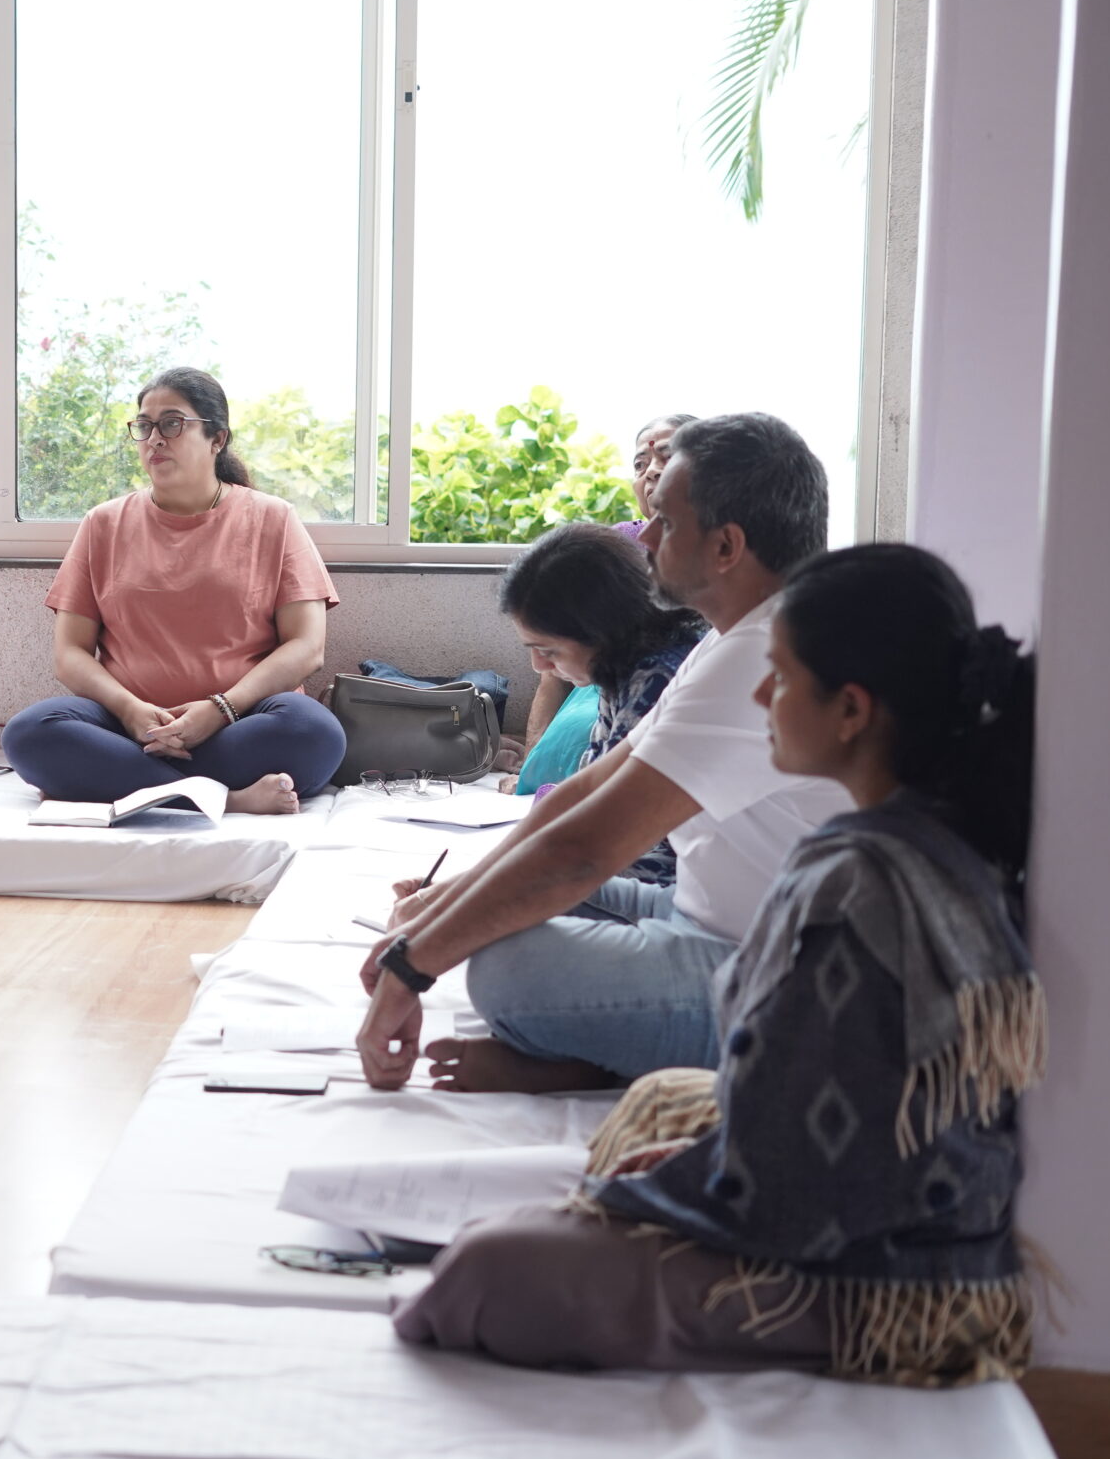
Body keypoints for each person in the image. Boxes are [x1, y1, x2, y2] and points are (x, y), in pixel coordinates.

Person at [395, 545, 1040, 1385]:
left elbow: (798, 1185)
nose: (762, 698)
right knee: (656, 1106)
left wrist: (649, 1197)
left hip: (874, 1281)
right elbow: (818, 1107)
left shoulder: (854, 882)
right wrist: (690, 1158)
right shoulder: (920, 838)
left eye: (781, 679)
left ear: (850, 710)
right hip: (908, 1230)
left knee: (490, 1266)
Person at [354, 412, 851, 1093]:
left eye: (665, 522)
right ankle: (604, 1047)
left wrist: (411, 967)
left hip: (767, 972)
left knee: (508, 967)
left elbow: (582, 850)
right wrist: (443, 907)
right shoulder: (731, 636)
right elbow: (578, 800)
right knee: (497, 905)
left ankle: (599, 1062)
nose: (644, 536)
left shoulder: (764, 654)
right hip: (691, 910)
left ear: (726, 546)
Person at [3, 368, 347, 813]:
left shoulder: (273, 519)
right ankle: (229, 799)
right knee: (29, 733)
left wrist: (220, 709)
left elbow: (306, 648)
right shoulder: (103, 524)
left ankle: (118, 782)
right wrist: (130, 711)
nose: (154, 439)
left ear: (217, 438)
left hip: (239, 723)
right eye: (144, 426)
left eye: (172, 423)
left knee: (315, 732)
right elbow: (69, 654)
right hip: (129, 731)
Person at [497, 521, 706, 878]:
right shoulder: (621, 671)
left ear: (599, 629)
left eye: (549, 650)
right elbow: (587, 789)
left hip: (679, 877)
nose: (538, 666)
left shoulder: (658, 678)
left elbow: (606, 826)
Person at [512, 413, 695, 761]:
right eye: (640, 464)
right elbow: (554, 659)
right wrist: (531, 762)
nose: (651, 472)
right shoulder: (614, 548)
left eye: (667, 457)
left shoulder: (665, 668)